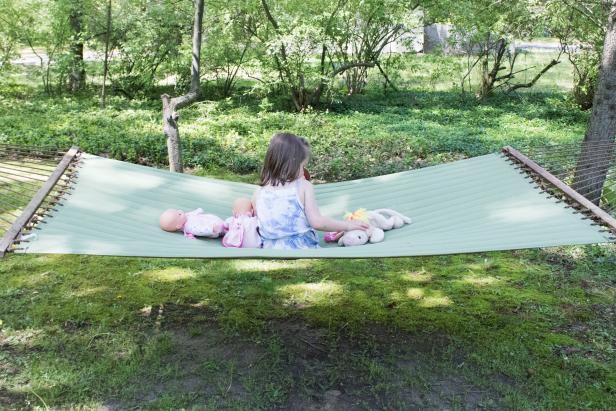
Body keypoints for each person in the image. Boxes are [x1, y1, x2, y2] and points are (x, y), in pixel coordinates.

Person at [253, 132, 369, 249]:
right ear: (291, 164)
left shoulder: (259, 191)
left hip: (269, 247)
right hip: (301, 246)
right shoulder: (303, 186)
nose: (304, 171)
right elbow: (318, 222)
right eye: (302, 166)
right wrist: (347, 226)